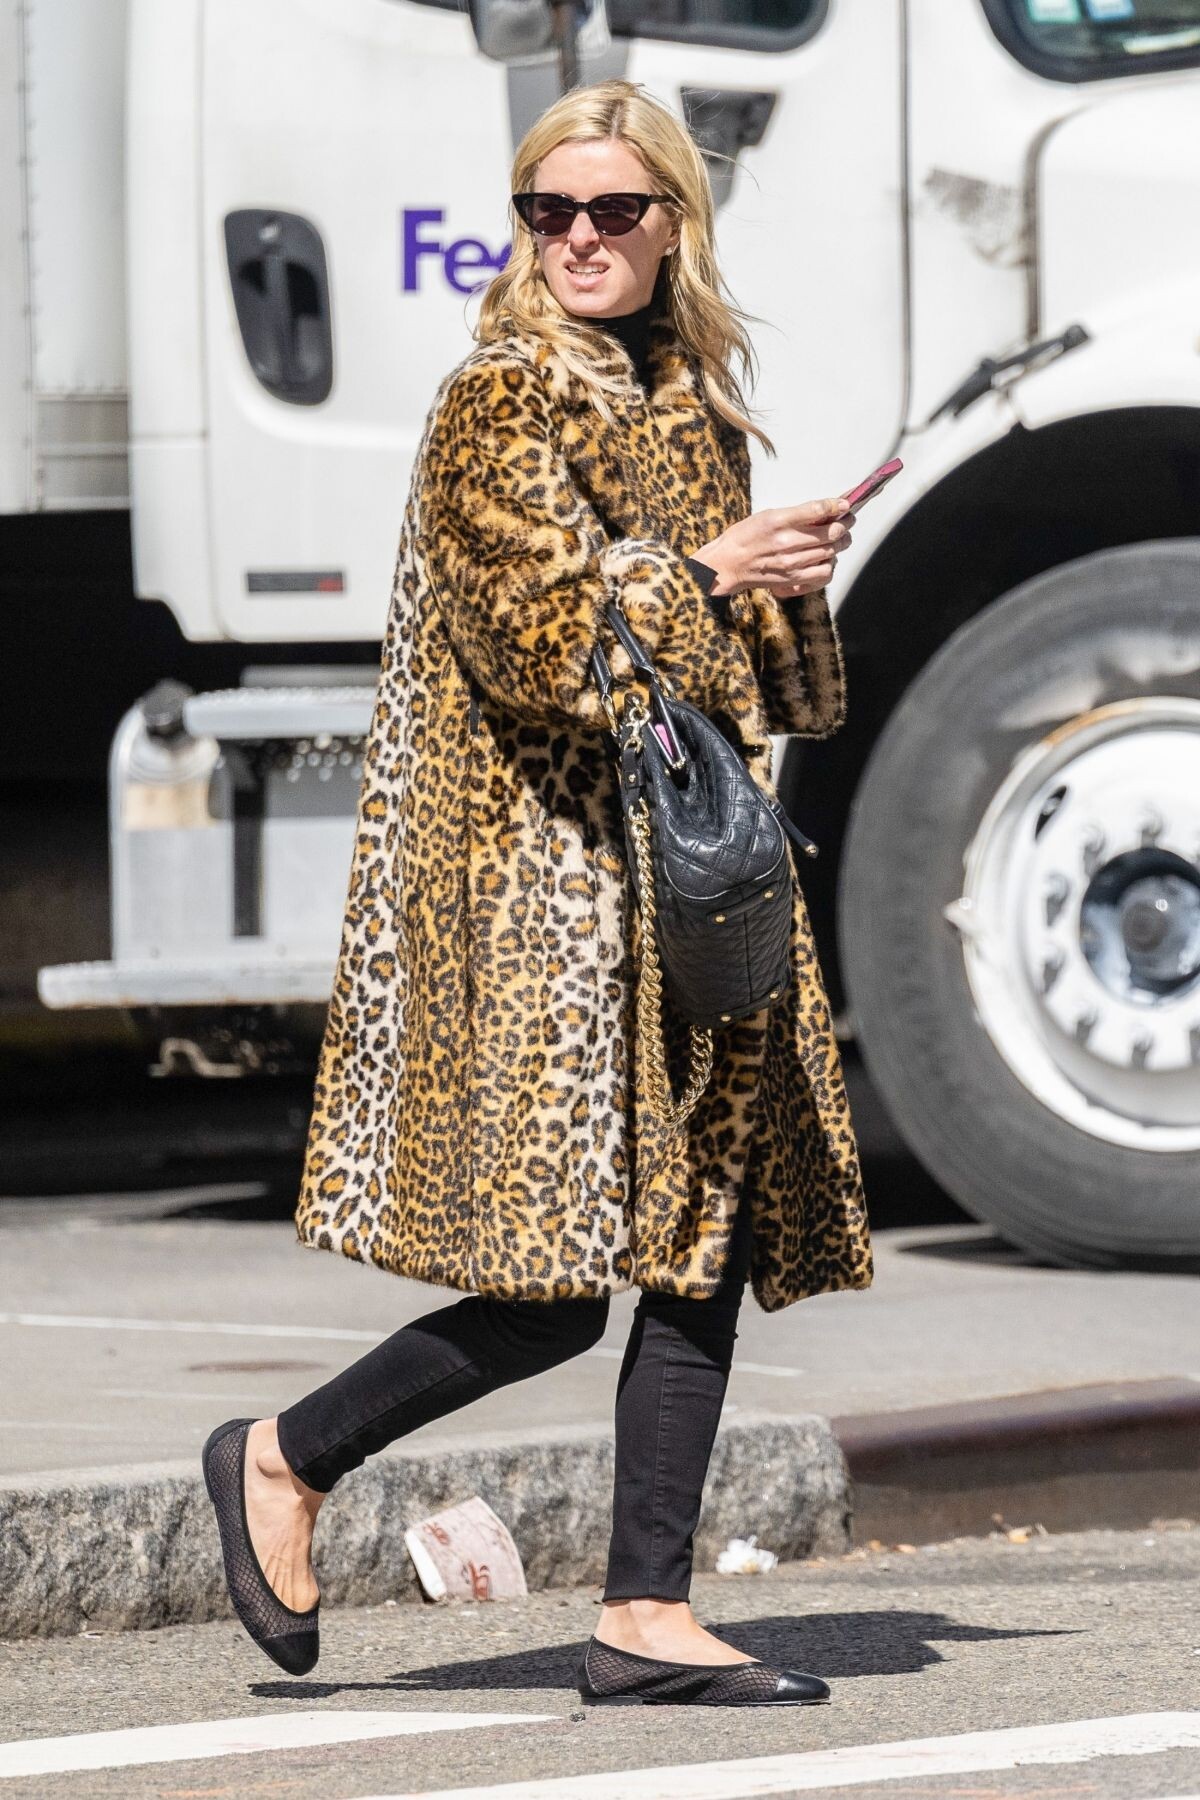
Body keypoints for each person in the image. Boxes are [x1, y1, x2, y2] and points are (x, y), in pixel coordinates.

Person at [202, 77, 873, 1709]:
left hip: (683, 893)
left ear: (672, 225)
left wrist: (788, 581)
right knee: (554, 1290)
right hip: (542, 901)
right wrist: (710, 574)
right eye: (548, 210)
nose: (578, 237)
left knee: (703, 1240)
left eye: (613, 210)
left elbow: (778, 693)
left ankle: (644, 1614)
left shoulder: (694, 409)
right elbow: (540, 646)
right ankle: (282, 1456)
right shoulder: (495, 402)